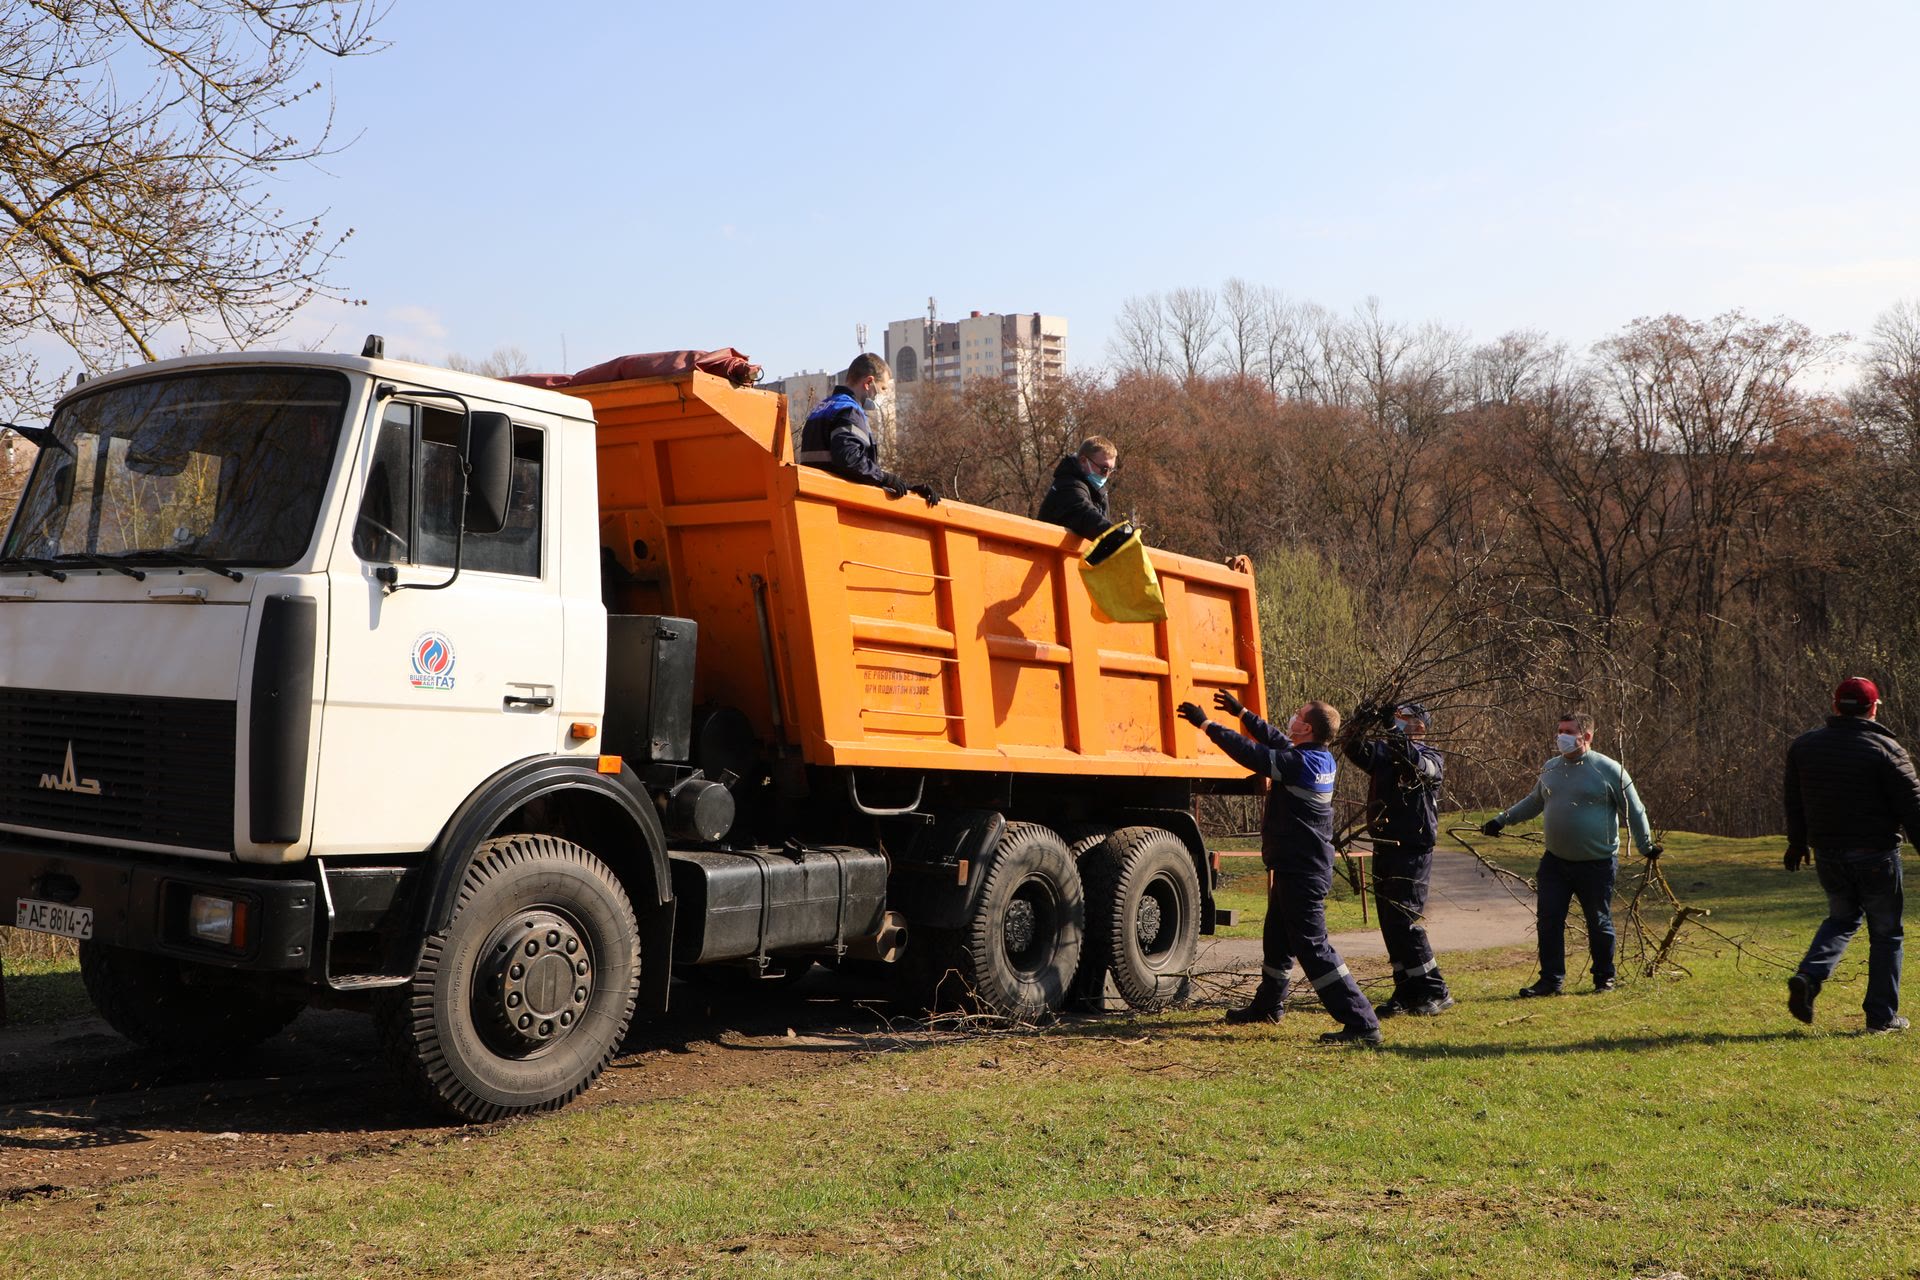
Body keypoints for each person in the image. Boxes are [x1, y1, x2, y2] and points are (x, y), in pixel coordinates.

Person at [1178, 690, 1382, 1045]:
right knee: (1276, 939)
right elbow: (1274, 739)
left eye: (1298, 715)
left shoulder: (1300, 764)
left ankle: (1362, 1022)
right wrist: (1243, 712)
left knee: (1313, 947)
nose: (1291, 718)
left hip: (1303, 872)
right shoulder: (1318, 758)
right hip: (1298, 868)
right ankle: (1269, 1005)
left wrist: (1207, 724)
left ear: (1306, 727)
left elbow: (1253, 754)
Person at [1481, 711, 1662, 997]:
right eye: (1560, 730)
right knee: (1549, 920)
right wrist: (1501, 819)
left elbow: (1635, 810)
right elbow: (1534, 801)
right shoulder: (1551, 767)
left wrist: (1646, 846)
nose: (1560, 736)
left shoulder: (1608, 769)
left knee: (1598, 922)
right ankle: (1550, 981)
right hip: (1555, 862)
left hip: (1596, 864)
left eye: (1567, 731)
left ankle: (1604, 979)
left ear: (1586, 736)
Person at [1783, 676, 1919, 1033]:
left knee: (1841, 920)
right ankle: (1881, 1018)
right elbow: (1913, 808)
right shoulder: (1887, 750)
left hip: (1828, 853)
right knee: (1886, 935)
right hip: (1876, 855)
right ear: (1874, 708)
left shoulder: (1805, 747)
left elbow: (1794, 803)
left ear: (1835, 706)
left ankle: (1809, 977)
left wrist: (1797, 843)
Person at [1344, 701, 1452, 1017]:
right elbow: (1353, 747)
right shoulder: (1382, 755)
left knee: (1407, 921)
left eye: (1404, 720)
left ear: (1420, 726)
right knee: (1391, 925)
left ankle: (1435, 990)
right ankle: (1406, 990)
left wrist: (1393, 730)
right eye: (1396, 720)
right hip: (1384, 844)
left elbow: (1415, 765)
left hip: (1413, 848)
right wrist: (1360, 721)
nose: (1398, 724)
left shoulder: (1433, 758)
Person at [796, 353, 939, 505]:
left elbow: (842, 467)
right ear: (869, 383)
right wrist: (885, 478)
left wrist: (908, 489)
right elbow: (849, 459)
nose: (882, 394)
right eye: (882, 388)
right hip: (840, 504)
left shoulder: (821, 408)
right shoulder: (849, 410)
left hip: (815, 498)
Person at [1037, 436, 1117, 538]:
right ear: (1083, 461)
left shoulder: (1099, 492)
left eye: (1110, 470)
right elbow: (1086, 516)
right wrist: (1118, 535)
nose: (1106, 474)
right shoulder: (1068, 486)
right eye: (1104, 468)